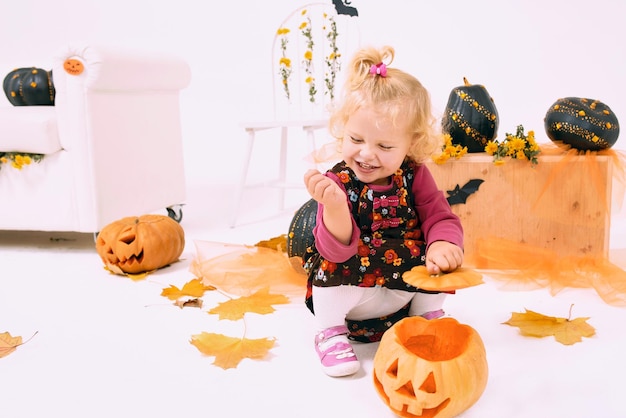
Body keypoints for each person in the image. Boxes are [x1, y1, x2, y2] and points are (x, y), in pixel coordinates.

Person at [302, 45, 464, 377]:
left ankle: (425, 317)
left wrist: (443, 244)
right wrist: (334, 207)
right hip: (355, 301)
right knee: (331, 264)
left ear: (412, 144)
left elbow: (439, 215)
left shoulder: (414, 174)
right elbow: (335, 248)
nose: (366, 154)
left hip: (401, 296)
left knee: (436, 258)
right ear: (343, 128)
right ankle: (330, 334)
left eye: (385, 146)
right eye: (356, 139)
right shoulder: (338, 182)